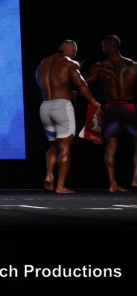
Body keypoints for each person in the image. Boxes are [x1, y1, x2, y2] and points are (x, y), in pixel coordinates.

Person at [35, 40, 100, 193]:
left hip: (45, 107)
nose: (74, 55)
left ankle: (49, 175)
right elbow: (81, 84)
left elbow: (53, 83)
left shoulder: (42, 64)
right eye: (74, 52)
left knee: (53, 145)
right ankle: (60, 186)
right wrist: (93, 101)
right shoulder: (69, 63)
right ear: (71, 49)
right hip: (62, 107)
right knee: (65, 146)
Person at [85, 35, 137, 192]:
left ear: (108, 47)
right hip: (129, 107)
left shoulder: (99, 67)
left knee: (111, 147)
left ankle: (112, 183)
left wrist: (77, 72)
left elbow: (84, 84)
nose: (102, 49)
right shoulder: (133, 65)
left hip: (111, 108)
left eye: (103, 46)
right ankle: (135, 177)